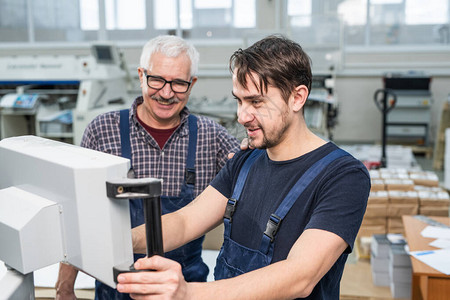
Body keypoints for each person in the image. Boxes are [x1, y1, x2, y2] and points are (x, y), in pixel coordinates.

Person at [117, 35, 370, 300]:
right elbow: (184, 222)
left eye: (256, 102)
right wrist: (118, 240)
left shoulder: (343, 177)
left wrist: (187, 293)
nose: (242, 116)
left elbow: (300, 276)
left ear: (297, 98)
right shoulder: (245, 161)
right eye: (239, 101)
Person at [55, 35, 240, 299]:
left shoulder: (211, 137)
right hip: (116, 286)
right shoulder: (102, 132)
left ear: (192, 84)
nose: (166, 93)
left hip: (185, 286)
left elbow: (253, 177)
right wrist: (64, 288)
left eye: (178, 83)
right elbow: (76, 210)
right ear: (141, 75)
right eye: (157, 80)